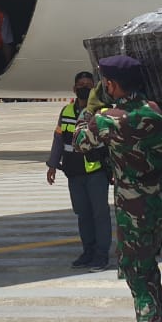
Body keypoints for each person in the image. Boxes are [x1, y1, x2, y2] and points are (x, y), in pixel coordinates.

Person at [74, 55, 162, 322]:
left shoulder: (110, 119)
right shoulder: (161, 111)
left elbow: (79, 141)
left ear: (111, 85)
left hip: (134, 209)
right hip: (161, 203)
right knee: (150, 269)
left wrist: (90, 108)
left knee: (139, 276)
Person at [46, 71, 112, 271]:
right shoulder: (66, 111)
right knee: (83, 214)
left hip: (97, 171)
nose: (84, 87)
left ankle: (101, 255)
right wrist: (52, 164)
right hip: (74, 171)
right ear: (74, 89)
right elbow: (59, 139)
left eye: (88, 84)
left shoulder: (102, 111)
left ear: (94, 89)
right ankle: (88, 251)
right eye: (80, 84)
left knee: (100, 214)